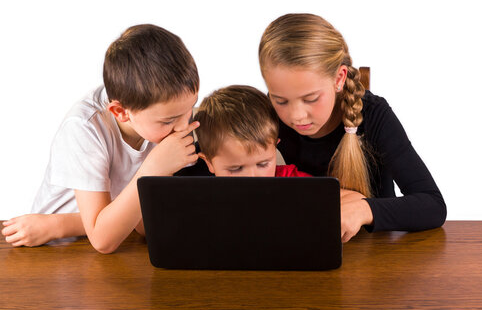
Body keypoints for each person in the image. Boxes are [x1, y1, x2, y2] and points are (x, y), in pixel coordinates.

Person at [2, 24, 200, 253]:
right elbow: (102, 240)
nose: (184, 126)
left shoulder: (165, 113)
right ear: (121, 112)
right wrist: (154, 167)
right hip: (56, 251)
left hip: (120, 240)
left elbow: (149, 224)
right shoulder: (84, 128)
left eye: (191, 107)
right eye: (168, 121)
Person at [258, 13, 446, 242]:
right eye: (280, 100)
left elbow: (433, 205)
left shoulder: (374, 115)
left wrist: (363, 210)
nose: (296, 116)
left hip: (376, 256)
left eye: (310, 99)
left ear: (339, 78)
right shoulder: (265, 115)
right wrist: (200, 160)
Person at [190, 84, 310, 177]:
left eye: (263, 164)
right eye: (236, 169)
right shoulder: (200, 194)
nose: (252, 176)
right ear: (209, 162)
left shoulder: (297, 184)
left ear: (275, 147)